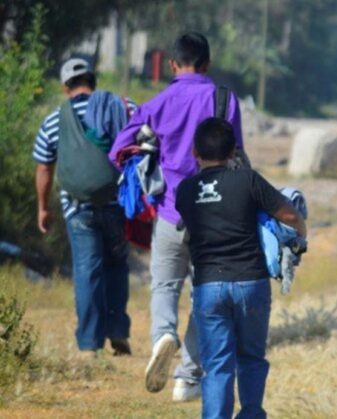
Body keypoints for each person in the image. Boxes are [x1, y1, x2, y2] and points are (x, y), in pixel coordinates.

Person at [109, 32, 244, 400]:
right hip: (214, 217)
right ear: (207, 64)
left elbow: (118, 151)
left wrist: (149, 158)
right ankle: (187, 378)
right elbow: (237, 155)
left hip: (170, 212)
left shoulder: (157, 103)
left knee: (165, 286)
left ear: (172, 64)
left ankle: (163, 335)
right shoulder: (224, 100)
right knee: (206, 295)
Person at [175, 118, 307, 419]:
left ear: (195, 152)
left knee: (217, 365)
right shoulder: (248, 180)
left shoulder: (185, 190)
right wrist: (301, 234)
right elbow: (289, 215)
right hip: (251, 283)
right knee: (251, 358)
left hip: (209, 286)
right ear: (234, 151)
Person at [34, 58, 136, 358]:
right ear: (93, 80)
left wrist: (43, 208)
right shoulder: (122, 107)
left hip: (78, 208)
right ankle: (117, 331)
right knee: (116, 265)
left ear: (66, 87)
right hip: (117, 203)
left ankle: (90, 343)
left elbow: (44, 167)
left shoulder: (54, 120)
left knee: (87, 270)